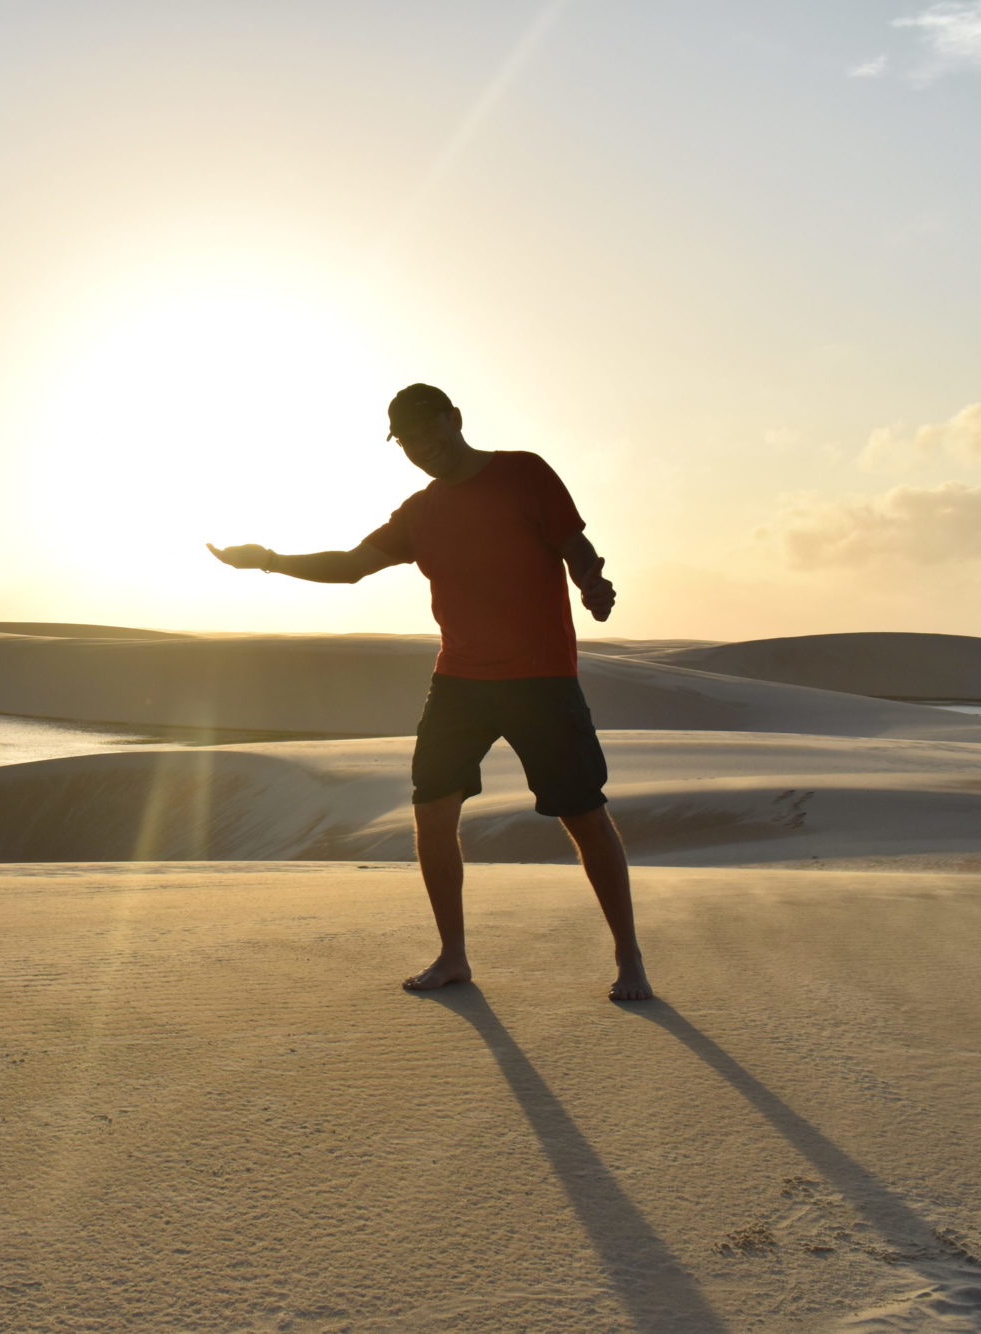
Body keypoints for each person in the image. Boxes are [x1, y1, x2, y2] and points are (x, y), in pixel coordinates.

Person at [207, 383, 651, 1001]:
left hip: (540, 679)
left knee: (583, 815)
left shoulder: (524, 473)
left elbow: (572, 541)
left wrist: (591, 582)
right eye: (409, 442)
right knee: (432, 811)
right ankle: (453, 956)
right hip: (460, 681)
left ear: (455, 419)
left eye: (429, 433)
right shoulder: (420, 512)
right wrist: (271, 561)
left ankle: (629, 958)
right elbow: (352, 564)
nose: (422, 449)